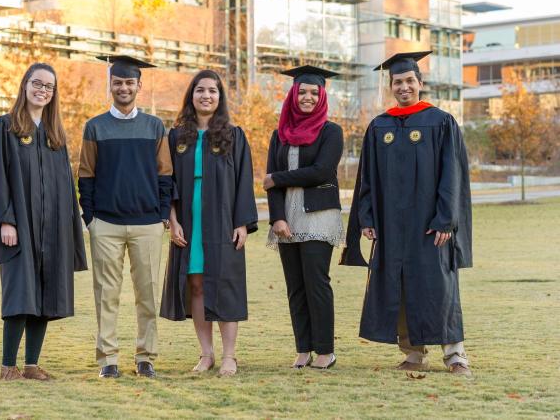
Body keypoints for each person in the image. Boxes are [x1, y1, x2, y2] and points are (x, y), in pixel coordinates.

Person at [341, 51, 474, 376]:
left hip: (430, 226)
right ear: (391, 85)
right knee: (397, 285)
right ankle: (413, 354)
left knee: (439, 287)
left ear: (420, 83)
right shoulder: (379, 126)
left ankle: (455, 355)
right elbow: (367, 178)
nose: (404, 87)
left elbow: (451, 174)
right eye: (398, 82)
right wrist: (367, 218)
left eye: (409, 81)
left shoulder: (441, 121)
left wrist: (446, 218)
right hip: (391, 225)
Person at [0, 62, 88, 381]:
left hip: (53, 228)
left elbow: (65, 187)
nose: (42, 90)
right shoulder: (4, 127)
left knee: (44, 293)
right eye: (37, 83)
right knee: (20, 291)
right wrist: (6, 220)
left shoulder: (55, 135)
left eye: (48, 87)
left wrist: (71, 227)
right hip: (21, 226)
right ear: (25, 84)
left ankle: (31, 365)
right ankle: (7, 365)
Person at [78, 55, 173, 379]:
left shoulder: (154, 126)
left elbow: (165, 174)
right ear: (110, 85)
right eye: (117, 82)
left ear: (138, 86)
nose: (123, 87)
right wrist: (89, 217)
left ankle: (146, 357)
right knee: (106, 295)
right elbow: (86, 175)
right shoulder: (95, 127)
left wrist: (162, 215)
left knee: (147, 295)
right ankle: (108, 360)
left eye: (129, 82)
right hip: (105, 224)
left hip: (147, 224)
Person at [160, 70, 258, 377]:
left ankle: (230, 356)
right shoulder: (176, 137)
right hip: (190, 219)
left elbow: (244, 180)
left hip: (223, 218)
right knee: (197, 284)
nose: (206, 95)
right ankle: (207, 354)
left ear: (220, 97)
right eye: (200, 90)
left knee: (225, 285)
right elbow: (168, 182)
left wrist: (242, 222)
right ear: (191, 95)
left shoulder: (233, 134)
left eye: (213, 91)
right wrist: (172, 220)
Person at [263, 65, 344, 370]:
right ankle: (303, 349)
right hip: (287, 218)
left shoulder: (330, 131)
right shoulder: (279, 134)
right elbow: (270, 186)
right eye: (302, 92)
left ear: (322, 96)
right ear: (293, 95)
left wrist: (277, 178)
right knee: (295, 286)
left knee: (316, 282)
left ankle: (325, 350)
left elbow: (321, 172)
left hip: (318, 215)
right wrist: (277, 219)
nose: (307, 97)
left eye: (314, 92)